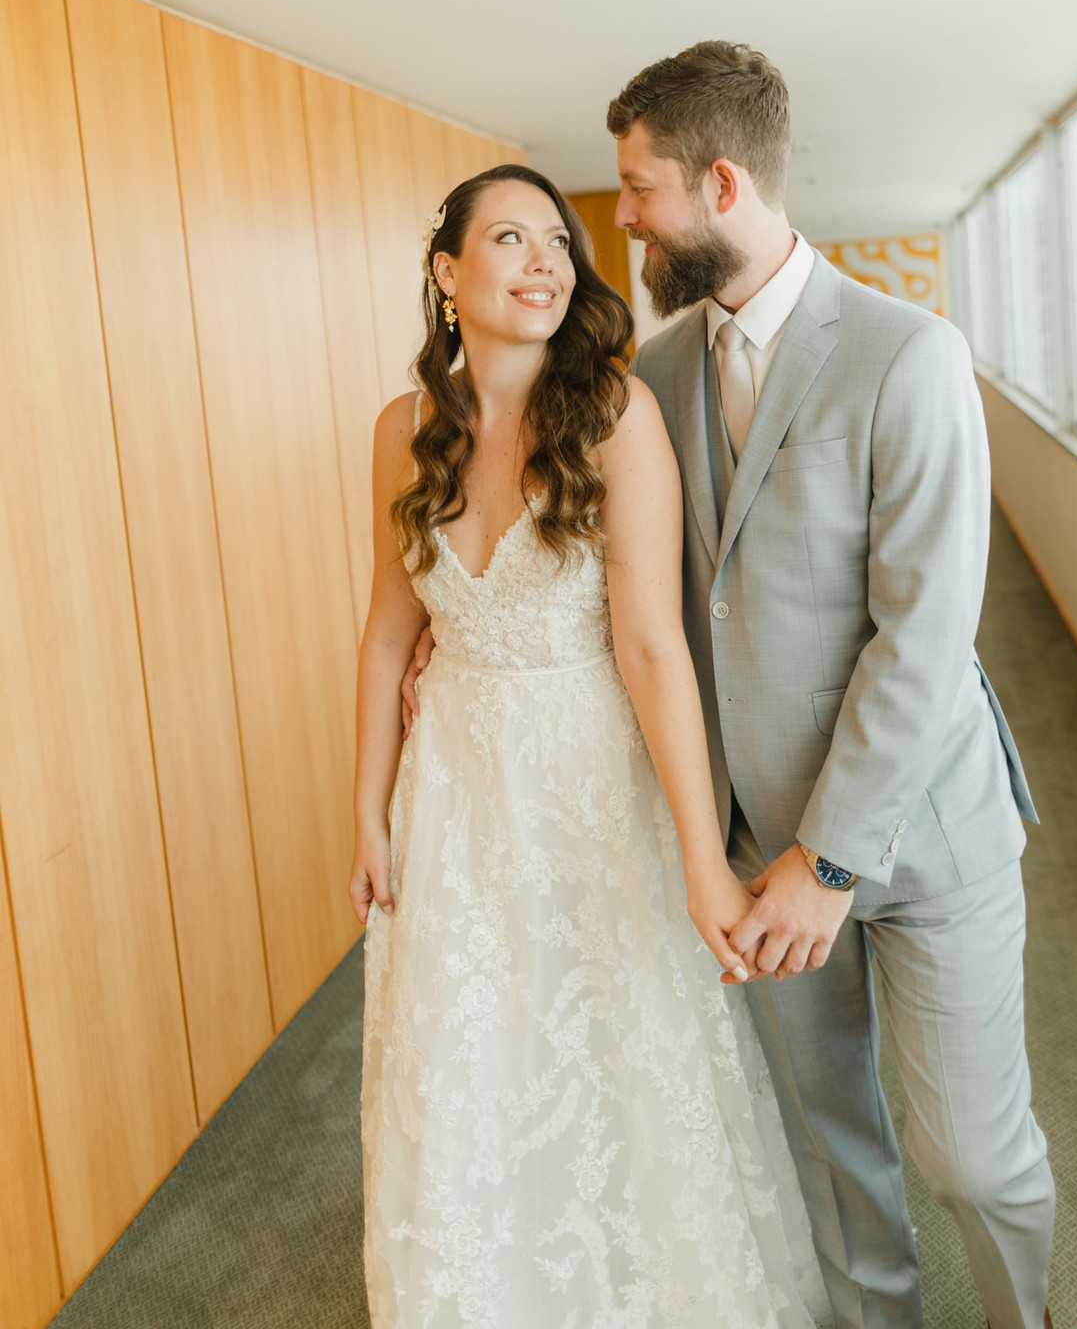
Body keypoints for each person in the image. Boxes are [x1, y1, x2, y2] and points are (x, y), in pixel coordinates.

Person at [605, 41, 1056, 1329]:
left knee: (974, 1158)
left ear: (722, 183)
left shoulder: (909, 354)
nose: (623, 216)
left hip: (924, 835)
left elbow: (926, 635)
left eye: (639, 187)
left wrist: (833, 857)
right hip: (755, 843)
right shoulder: (656, 377)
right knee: (833, 1151)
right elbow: (644, 596)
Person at [350, 165, 833, 1328]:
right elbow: (386, 631)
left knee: (612, 1038)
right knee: (465, 1049)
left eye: (558, 242)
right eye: (510, 240)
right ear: (447, 271)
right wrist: (365, 809)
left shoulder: (614, 417)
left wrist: (702, 858)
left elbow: (654, 649)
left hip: (586, 778)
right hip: (452, 787)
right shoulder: (401, 430)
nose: (547, 263)